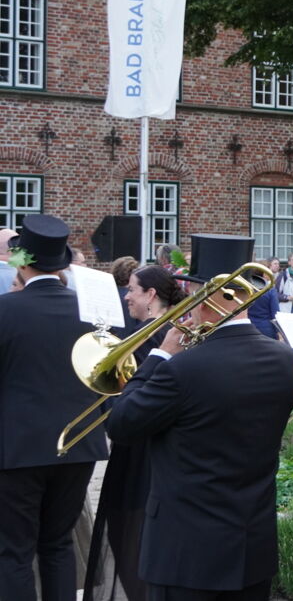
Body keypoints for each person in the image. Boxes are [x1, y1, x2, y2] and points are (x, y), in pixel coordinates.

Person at [106, 234, 293, 601]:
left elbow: (121, 422)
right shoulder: (286, 361)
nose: (189, 308)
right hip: (251, 547)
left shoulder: (181, 369)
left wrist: (160, 355)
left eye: (194, 297)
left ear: (210, 300)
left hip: (186, 553)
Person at [0, 216, 110, 601]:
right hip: (78, 444)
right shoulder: (91, 313)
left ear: (23, 263)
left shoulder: (6, 310)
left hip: (16, 447)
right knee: (59, 544)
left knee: (14, 550)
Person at [87, 265, 187, 601]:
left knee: (129, 535)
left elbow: (135, 398)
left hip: (141, 449)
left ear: (151, 295)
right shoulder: (170, 331)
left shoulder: (152, 338)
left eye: (132, 289)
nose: (127, 296)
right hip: (156, 449)